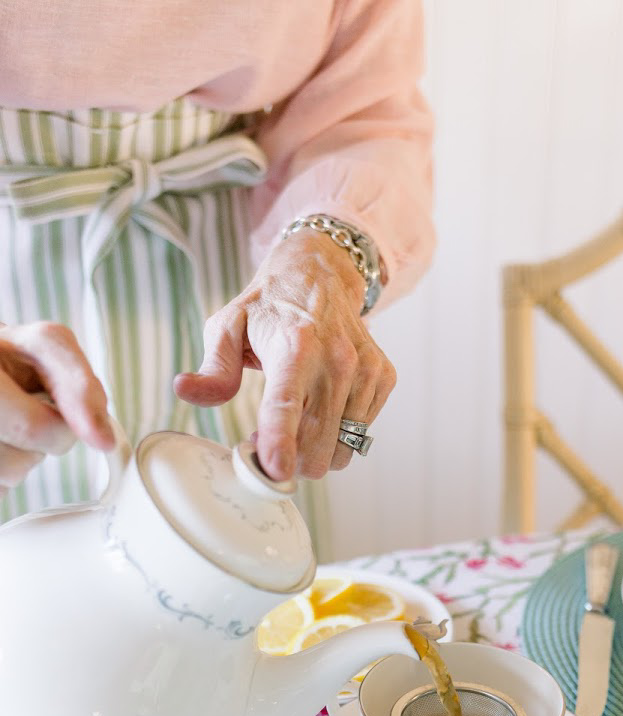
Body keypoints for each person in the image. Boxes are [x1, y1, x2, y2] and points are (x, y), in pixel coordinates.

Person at [0, 0, 433, 540]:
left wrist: (324, 255)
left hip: (246, 301)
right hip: (11, 295)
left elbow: (367, 106)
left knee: (248, 573)